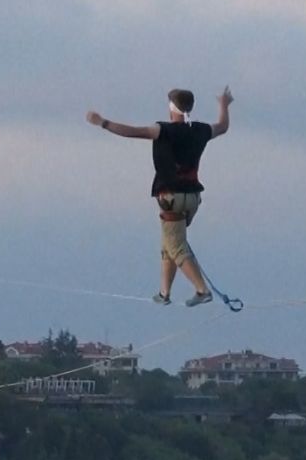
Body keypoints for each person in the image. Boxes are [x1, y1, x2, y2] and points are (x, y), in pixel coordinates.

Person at [86, 87, 232, 306]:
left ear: (171, 108)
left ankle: (202, 290)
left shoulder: (163, 130)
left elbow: (132, 132)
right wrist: (223, 105)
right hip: (193, 198)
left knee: (176, 246)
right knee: (169, 243)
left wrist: (103, 122)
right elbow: (222, 127)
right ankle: (164, 293)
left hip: (172, 197)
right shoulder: (201, 130)